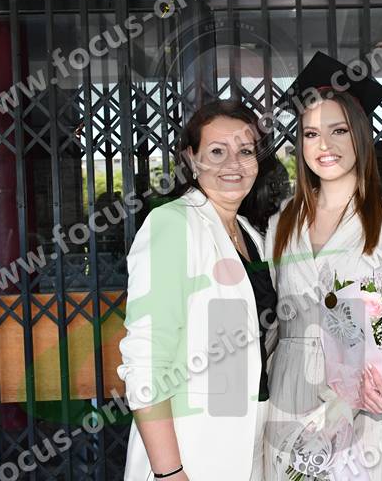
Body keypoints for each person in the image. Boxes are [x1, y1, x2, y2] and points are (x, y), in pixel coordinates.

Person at [263, 52, 382, 480]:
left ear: (360, 136)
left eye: (338, 130)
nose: (325, 145)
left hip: (361, 409)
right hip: (289, 397)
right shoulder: (280, 224)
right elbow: (273, 323)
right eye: (311, 133)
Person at [118, 100, 279, 480]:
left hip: (250, 445)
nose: (233, 164)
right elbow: (146, 360)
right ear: (192, 160)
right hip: (191, 448)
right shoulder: (173, 225)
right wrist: (169, 472)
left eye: (245, 151)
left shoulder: (252, 235)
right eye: (217, 152)